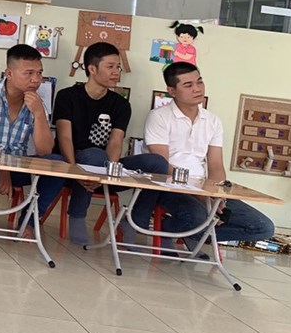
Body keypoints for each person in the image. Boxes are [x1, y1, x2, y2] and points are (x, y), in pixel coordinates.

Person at [50, 42, 202, 247]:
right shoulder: (67, 96)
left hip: (105, 166)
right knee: (94, 155)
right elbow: (64, 138)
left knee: (156, 162)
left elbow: (116, 141)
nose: (116, 72)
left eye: (118, 67)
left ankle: (134, 221)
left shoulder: (120, 103)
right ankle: (77, 215)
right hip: (71, 165)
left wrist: (110, 172)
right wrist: (74, 170)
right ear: (92, 69)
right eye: (110, 67)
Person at [145, 62, 274, 250]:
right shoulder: (159, 117)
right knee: (198, 216)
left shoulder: (212, 121)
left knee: (263, 227)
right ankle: (173, 229)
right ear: (172, 91)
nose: (197, 89)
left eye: (199, 82)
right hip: (168, 187)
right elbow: (162, 165)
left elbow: (215, 166)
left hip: (203, 188)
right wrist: (201, 197)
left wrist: (217, 197)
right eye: (188, 85)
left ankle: (191, 233)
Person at [0, 44, 66, 231]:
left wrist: (39, 113)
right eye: (29, 73)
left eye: (39, 73)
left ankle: (29, 221)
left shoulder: (37, 103)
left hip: (17, 165)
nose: (36, 79)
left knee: (57, 164)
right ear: (9, 73)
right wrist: (1, 167)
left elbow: (45, 150)